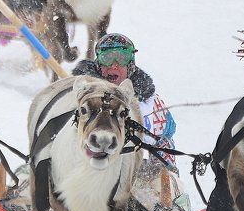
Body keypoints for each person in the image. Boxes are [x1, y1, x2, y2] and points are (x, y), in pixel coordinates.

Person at [72, 33, 178, 169]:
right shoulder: (80, 97)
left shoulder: (149, 105)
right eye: (107, 58)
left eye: (122, 58)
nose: (113, 65)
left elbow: (164, 139)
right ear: (98, 63)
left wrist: (161, 170)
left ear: (130, 64)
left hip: (132, 170)